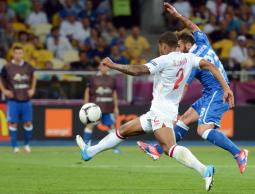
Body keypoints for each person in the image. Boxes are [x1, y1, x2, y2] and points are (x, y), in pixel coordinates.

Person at [76, 31, 235, 191]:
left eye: (160, 46)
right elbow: (211, 65)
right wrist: (226, 88)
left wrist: (113, 65)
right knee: (123, 130)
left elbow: (136, 70)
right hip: (159, 112)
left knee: (169, 148)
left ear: (164, 46)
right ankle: (89, 152)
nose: (159, 49)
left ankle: (204, 170)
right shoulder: (189, 58)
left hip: (161, 113)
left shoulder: (163, 60)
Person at [137, 3, 248, 174]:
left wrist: (171, 110)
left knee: (203, 130)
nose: (177, 50)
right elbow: (193, 26)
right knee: (184, 120)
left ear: (186, 45)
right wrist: (177, 15)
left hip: (217, 93)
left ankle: (238, 153)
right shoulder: (203, 42)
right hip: (211, 93)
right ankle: (158, 150)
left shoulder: (190, 60)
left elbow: (184, 87)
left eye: (179, 46)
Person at [0, 46, 36, 153]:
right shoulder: (7, 67)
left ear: (23, 54)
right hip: (13, 100)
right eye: (16, 53)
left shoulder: (28, 66)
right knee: (13, 123)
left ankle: (27, 145)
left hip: (26, 99)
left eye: (20, 53)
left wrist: (33, 89)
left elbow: (34, 76)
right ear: (13, 54)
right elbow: (1, 79)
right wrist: (4, 90)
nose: (18, 55)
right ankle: (15, 147)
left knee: (28, 123)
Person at [82, 63, 120, 153]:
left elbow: (114, 93)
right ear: (99, 67)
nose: (105, 68)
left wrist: (116, 107)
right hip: (95, 107)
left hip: (108, 106)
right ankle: (86, 146)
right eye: (103, 66)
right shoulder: (93, 78)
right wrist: (85, 105)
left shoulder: (112, 79)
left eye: (107, 66)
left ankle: (115, 147)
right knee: (90, 125)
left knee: (111, 127)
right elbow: (87, 91)